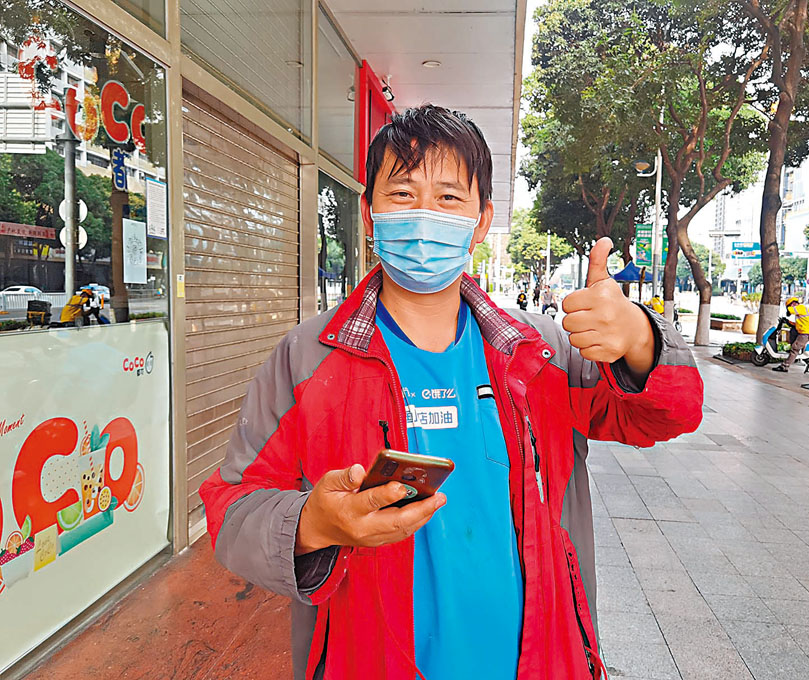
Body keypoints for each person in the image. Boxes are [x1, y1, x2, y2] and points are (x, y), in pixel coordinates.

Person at [200, 104, 704, 680]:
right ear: (369, 214)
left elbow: (668, 415)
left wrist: (640, 337)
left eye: (447, 198)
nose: (423, 217)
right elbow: (233, 507)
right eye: (402, 194)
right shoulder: (307, 358)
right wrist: (313, 524)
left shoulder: (539, 354)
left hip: (539, 660)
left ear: (482, 220)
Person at [773, 295, 809, 372]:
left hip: (806, 332)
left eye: (789, 305)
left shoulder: (801, 307)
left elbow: (791, 310)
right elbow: (797, 324)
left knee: (795, 349)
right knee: (793, 332)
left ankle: (785, 366)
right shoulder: (800, 311)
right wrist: (787, 322)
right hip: (805, 330)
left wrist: (788, 310)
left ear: (793, 304)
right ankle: (794, 356)